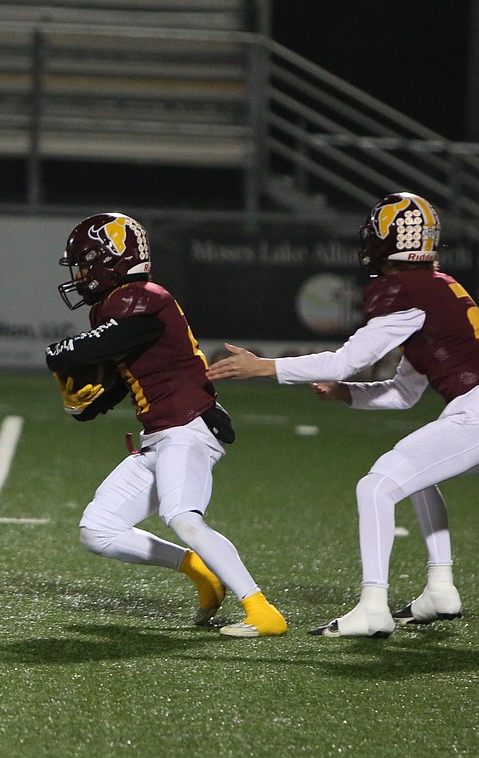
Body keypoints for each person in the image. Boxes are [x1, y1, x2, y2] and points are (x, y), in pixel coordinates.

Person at [207, 191, 479, 639]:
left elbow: (345, 360)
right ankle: (441, 588)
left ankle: (373, 606)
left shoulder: (404, 289)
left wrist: (266, 367)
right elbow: (405, 393)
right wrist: (346, 395)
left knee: (375, 487)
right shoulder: (438, 289)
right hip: (467, 407)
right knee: (416, 476)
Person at [45, 212, 287, 638]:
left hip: (187, 427)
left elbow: (112, 341)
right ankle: (200, 570)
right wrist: (88, 405)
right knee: (98, 529)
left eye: (85, 262)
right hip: (160, 436)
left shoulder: (144, 295)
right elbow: (124, 377)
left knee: (184, 518)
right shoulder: (115, 308)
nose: (80, 274)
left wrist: (61, 352)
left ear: (111, 260)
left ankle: (262, 610)